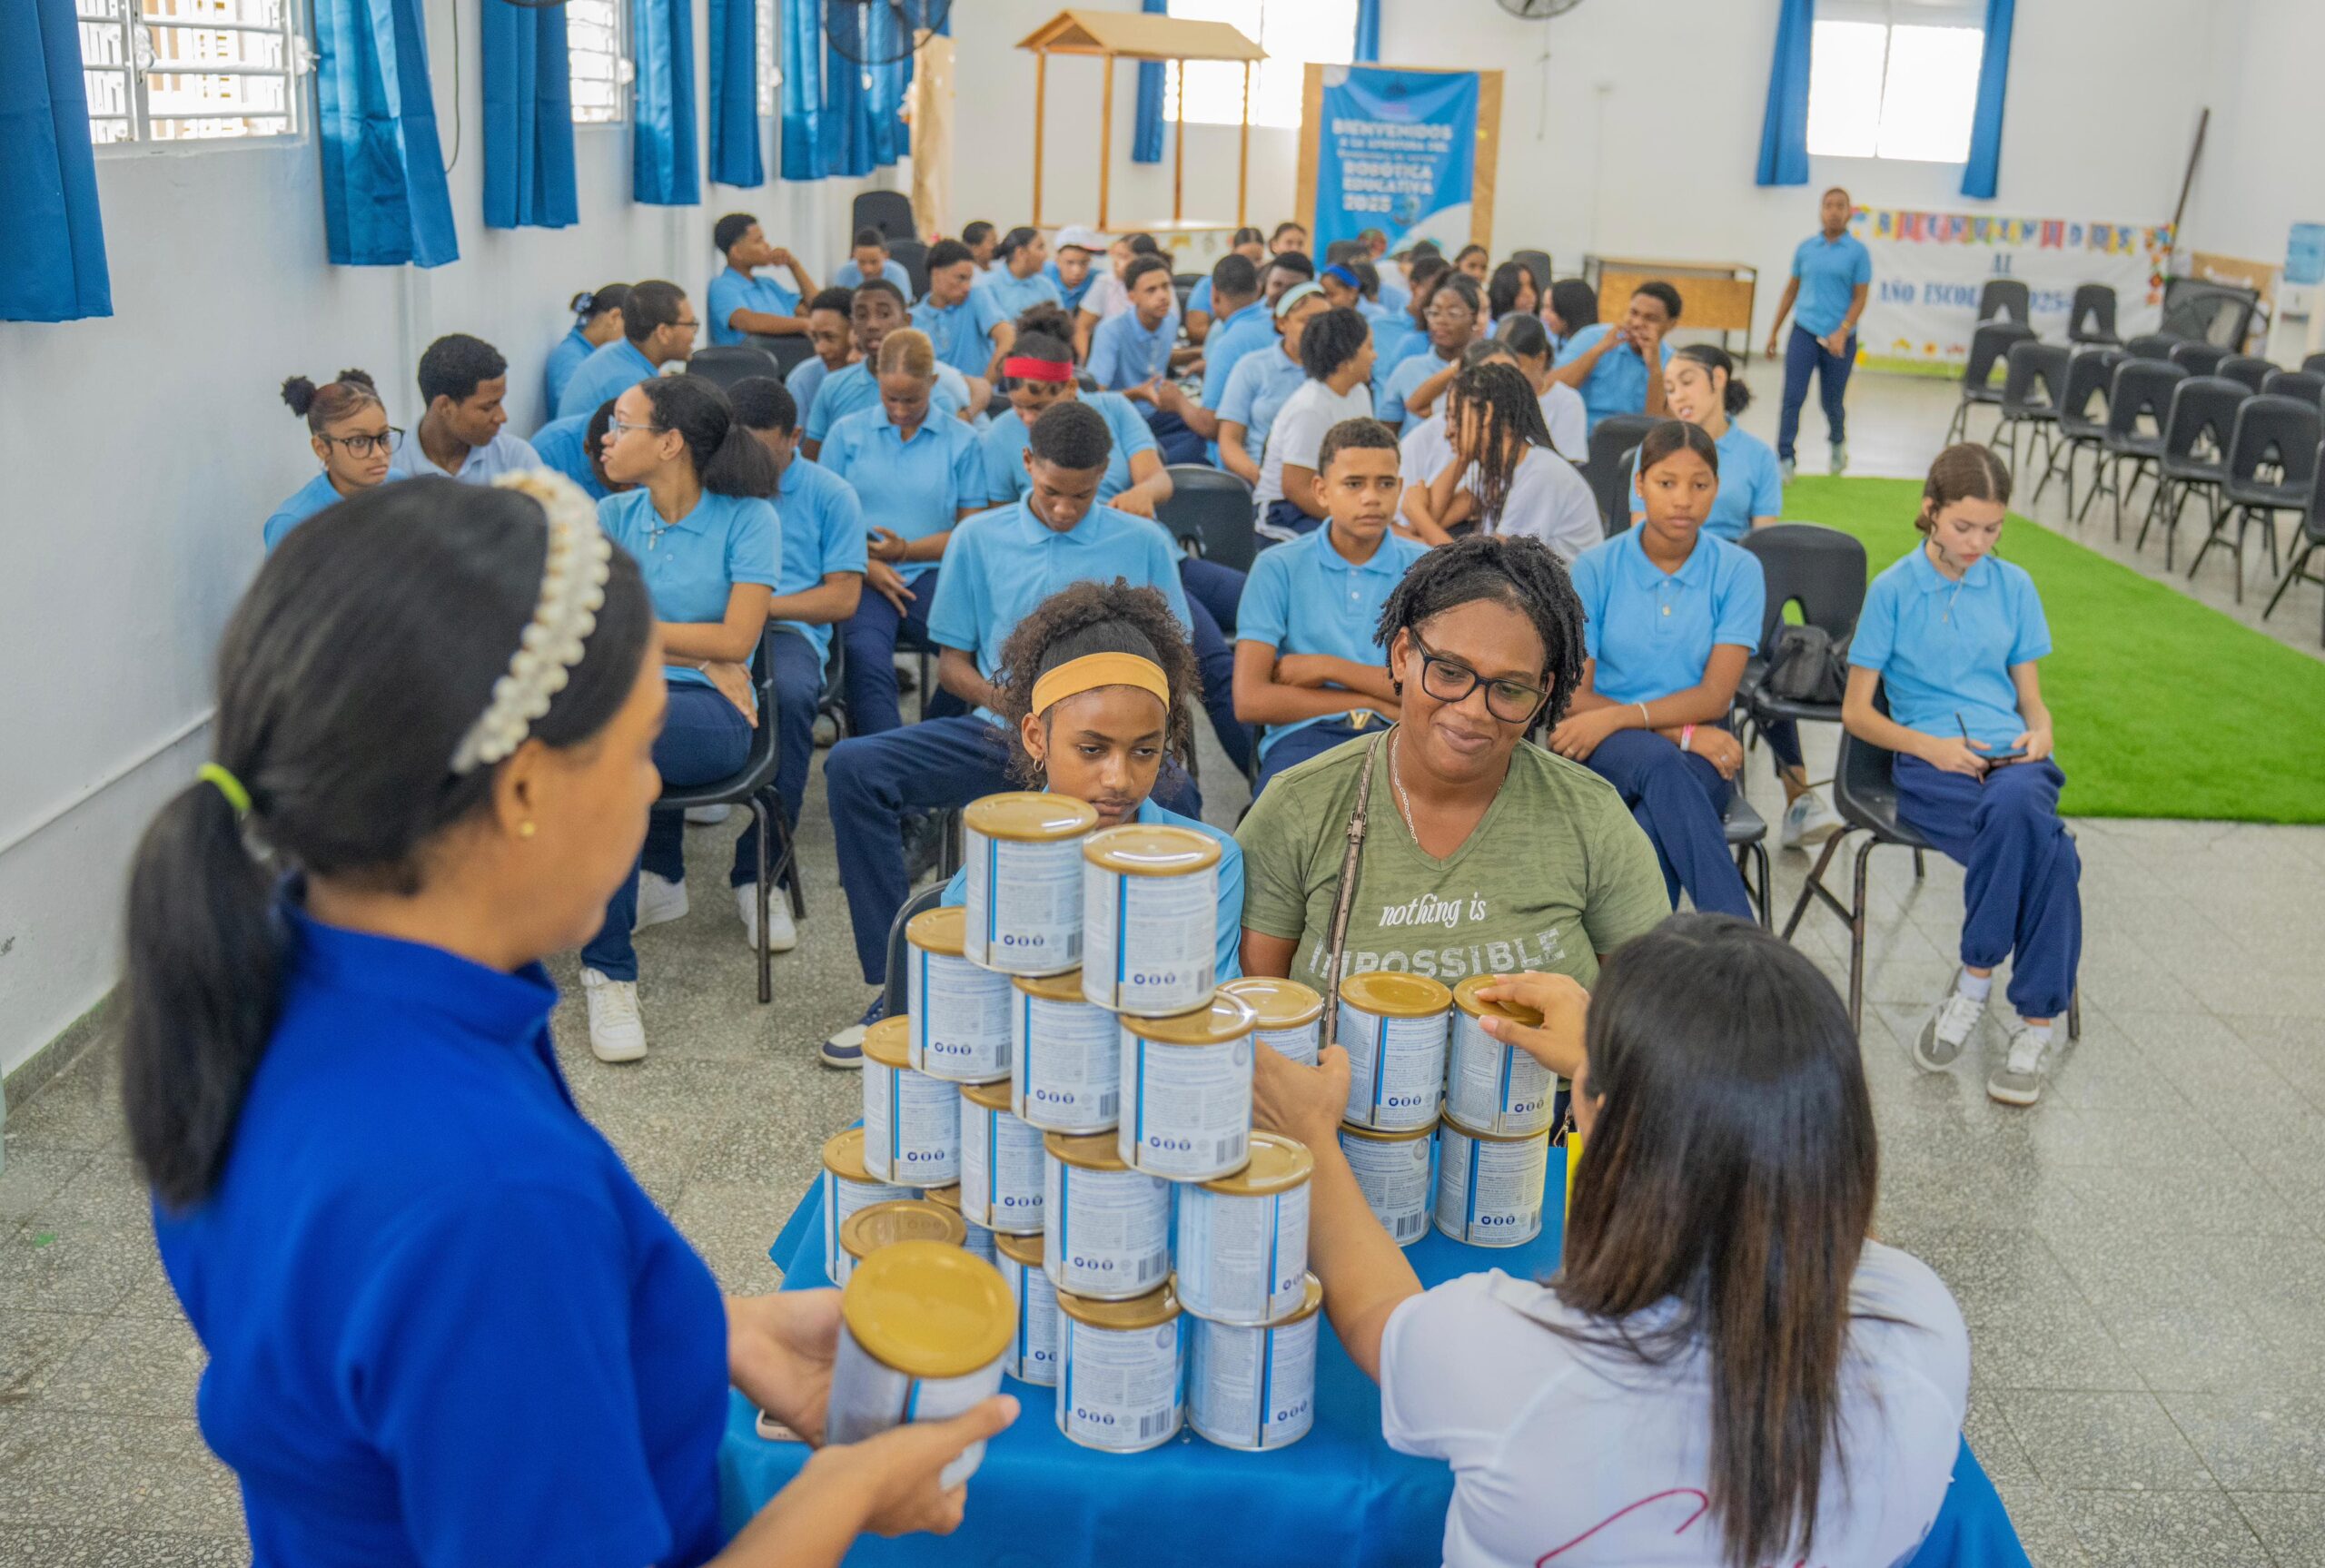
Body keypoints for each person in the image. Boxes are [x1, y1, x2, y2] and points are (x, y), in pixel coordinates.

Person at [131, 474, 1013, 1567]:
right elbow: (473, 1270)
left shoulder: (279, 966)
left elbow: (415, 1361)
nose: (652, 784)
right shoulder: (484, 1191)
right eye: (643, 742)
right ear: (524, 790)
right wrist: (845, 1488)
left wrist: (703, 1327)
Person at [1249, 913, 1968, 1568]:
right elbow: (1814, 1207)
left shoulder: (1522, 1359)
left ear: (1604, 1121)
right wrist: (1639, 1058)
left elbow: (1381, 1313)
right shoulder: (1925, 1324)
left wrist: (1311, 1134)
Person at [821, 401, 1201, 1061]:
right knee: (854, 766)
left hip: (1105, 743)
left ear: (1106, 476)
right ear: (1027, 464)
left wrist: (1096, 731)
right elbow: (954, 667)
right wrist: (1036, 722)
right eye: (1051, 492)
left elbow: (1175, 663)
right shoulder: (978, 538)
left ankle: (1136, 980)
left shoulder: (1141, 541)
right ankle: (902, 985)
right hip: (1001, 730)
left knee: (1180, 798)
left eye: (1080, 496)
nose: (1062, 509)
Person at [1235, 532, 1669, 992]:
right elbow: (1255, 1021)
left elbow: (1652, 1020)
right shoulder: (1298, 809)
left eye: (1510, 689)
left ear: (1543, 693)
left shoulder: (1593, 818)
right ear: (1403, 656)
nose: (1473, 711)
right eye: (1449, 672)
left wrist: (1579, 1049)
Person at [1844, 444, 2079, 1107]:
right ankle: (2035, 1025)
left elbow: (2030, 697)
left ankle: (1975, 979)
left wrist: (2043, 730)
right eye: (1964, 526)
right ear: (1930, 510)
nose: (1979, 542)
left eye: (1993, 528)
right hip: (1933, 766)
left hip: (2015, 764)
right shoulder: (1891, 590)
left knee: (2021, 811)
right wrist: (1932, 747)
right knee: (2052, 856)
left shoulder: (2016, 587)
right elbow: (1857, 713)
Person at [584, 378, 779, 1060]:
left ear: (668, 443)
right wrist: (693, 644)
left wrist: (645, 634)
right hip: (628, 704)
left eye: (622, 422)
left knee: (599, 748)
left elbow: (737, 642)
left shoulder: (750, 518)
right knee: (606, 755)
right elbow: (592, 624)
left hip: (713, 714)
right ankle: (609, 964)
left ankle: (608, 965)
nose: (607, 435)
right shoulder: (611, 515)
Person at [938, 579, 1244, 986]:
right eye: (1091, 750)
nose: (1119, 780)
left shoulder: (1213, 863)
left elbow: (1215, 1011)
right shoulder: (982, 886)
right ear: (1036, 738)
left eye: (1145, 751)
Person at [980, 318, 1249, 776]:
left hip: (1155, 557)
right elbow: (1003, 526)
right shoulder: (1000, 436)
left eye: (1040, 403)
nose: (1028, 417)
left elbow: (1157, 478)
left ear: (1068, 388)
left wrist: (1144, 494)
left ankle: (1262, 783)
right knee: (1210, 659)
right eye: (1019, 406)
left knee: (1244, 631)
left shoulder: (1114, 410)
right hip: (1085, 577)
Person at [1556, 421, 1761, 920]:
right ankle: (1742, 948)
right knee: (1661, 764)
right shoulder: (1595, 568)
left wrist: (1662, 729)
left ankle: (1632, 975)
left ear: (1717, 487)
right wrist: (1682, 733)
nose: (1683, 500)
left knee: (1652, 826)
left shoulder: (1739, 570)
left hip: (1691, 750)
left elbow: (1716, 696)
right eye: (1667, 483)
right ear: (1639, 485)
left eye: (1700, 484)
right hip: (1605, 746)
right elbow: (1575, 698)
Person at [722, 377, 867, 954]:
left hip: (785, 631)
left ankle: (761, 874)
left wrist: (755, 603)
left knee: (787, 696)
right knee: (655, 697)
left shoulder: (831, 493)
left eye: (765, 448)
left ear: (796, 438)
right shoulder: (719, 486)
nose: (751, 462)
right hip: (710, 630)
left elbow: (842, 599)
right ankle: (661, 872)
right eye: (741, 447)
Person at [1237, 419, 1427, 793]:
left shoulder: (1426, 569)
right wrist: (1367, 700)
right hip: (1304, 736)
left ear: (1400, 489)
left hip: (1403, 735)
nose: (1371, 497)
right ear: (1321, 491)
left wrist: (1326, 667)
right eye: (1354, 484)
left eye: (1385, 484)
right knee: (1285, 831)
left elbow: (1430, 688)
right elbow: (1251, 700)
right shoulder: (1278, 566)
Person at [822, 329, 985, 736]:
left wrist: (905, 551)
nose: (898, 409)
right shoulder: (846, 433)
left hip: (934, 574)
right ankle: (884, 774)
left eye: (911, 399)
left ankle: (926, 745)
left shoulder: (963, 441)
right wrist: (865, 565)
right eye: (889, 397)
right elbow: (820, 522)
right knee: (864, 656)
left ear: (933, 383)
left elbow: (970, 531)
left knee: (979, 651)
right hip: (860, 576)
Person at [1424, 362, 1600, 558]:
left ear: (1487, 414)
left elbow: (1493, 566)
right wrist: (1463, 457)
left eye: (1455, 417)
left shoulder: (1540, 473)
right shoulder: (1493, 470)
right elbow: (1436, 520)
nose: (1448, 431)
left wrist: (1414, 511)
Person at [1766, 185, 1873, 481]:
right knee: (1792, 397)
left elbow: (1860, 297)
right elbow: (1791, 290)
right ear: (1821, 210)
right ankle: (1785, 458)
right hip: (1804, 331)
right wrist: (1774, 332)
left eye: (1840, 206)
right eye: (1829, 205)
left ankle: (1837, 443)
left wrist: (1843, 330)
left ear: (1849, 212)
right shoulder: (1806, 249)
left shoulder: (1857, 253)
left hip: (1840, 338)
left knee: (1832, 402)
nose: (1834, 211)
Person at [800, 280, 975, 458]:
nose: (872, 325)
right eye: (861, 316)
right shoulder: (833, 386)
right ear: (853, 326)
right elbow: (813, 460)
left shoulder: (936, 395)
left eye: (884, 314)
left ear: (906, 321)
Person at [1626, 346, 1782, 541]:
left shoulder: (1760, 456)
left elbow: (1763, 543)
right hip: (1665, 563)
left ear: (1718, 378)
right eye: (1670, 389)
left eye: (1687, 382)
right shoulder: (1653, 449)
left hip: (1731, 565)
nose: (1678, 397)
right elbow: (1641, 534)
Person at [1395, 340, 1519, 543]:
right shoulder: (1432, 435)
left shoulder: (1523, 460)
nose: (1505, 390)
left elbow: (1426, 530)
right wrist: (1463, 457)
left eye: (1511, 376)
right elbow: (1426, 527)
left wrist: (1416, 510)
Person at [1091, 252, 1204, 463]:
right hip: (1120, 421)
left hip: (1155, 414)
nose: (1162, 296)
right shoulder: (1111, 331)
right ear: (1132, 297)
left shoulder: (1169, 320)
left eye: (1165, 287)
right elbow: (1095, 399)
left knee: (1206, 433)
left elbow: (1160, 355)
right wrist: (1138, 393)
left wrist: (1200, 353)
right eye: (1151, 290)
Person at [1147, 253, 1264, 458]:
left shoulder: (1227, 344)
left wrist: (1178, 400)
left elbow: (1209, 427)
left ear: (1214, 296)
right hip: (1265, 444)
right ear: (1259, 288)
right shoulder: (1275, 324)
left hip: (1231, 455)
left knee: (1151, 456)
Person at [266, 370, 397, 550]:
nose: (379, 453)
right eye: (359, 442)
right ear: (322, 448)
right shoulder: (294, 523)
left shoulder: (399, 486)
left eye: (384, 437)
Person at [1216, 282, 1330, 490]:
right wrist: (1260, 478)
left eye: (1324, 321)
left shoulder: (1334, 371)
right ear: (1282, 323)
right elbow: (1229, 441)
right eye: (1307, 321)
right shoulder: (1252, 367)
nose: (1317, 329)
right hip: (1261, 480)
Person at [387, 334, 540, 484]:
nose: (502, 417)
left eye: (500, 402)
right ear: (445, 406)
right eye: (487, 407)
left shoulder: (516, 460)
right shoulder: (386, 461)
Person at [557, 279, 697, 421]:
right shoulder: (630, 385)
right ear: (663, 332)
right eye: (691, 324)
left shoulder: (619, 354)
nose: (694, 333)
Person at [1552, 281, 1679, 433]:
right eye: (1634, 313)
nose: (1638, 323)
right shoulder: (1592, 337)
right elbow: (1551, 390)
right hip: (1580, 439)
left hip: (1636, 447)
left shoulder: (1675, 363)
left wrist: (1654, 370)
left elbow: (1660, 430)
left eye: (1650, 318)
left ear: (1671, 324)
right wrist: (1598, 351)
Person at [1377, 272, 1480, 432]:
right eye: (1434, 313)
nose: (1441, 321)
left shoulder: (1484, 369)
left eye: (1453, 314)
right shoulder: (1409, 369)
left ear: (1474, 319)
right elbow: (1387, 431)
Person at [911, 238, 1012, 382]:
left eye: (969, 279)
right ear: (936, 274)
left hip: (981, 399)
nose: (967, 287)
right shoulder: (913, 319)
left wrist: (985, 386)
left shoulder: (976, 297)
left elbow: (1008, 338)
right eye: (961, 278)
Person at [707, 213, 816, 346]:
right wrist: (803, 324)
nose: (767, 246)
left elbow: (817, 308)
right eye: (758, 241)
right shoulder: (723, 286)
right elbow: (747, 322)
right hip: (750, 363)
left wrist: (794, 265)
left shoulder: (768, 284)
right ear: (736, 252)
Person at [1491, 314, 1588, 459]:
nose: (1506, 374)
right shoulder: (1490, 396)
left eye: (1515, 365)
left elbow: (1569, 465)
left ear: (1540, 359)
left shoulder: (1567, 402)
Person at [1369, 254, 1449, 387]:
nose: (1439, 300)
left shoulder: (1447, 337)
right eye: (1433, 292)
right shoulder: (1377, 326)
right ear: (1413, 286)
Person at [545, 283, 628, 412]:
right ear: (614, 317)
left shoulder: (600, 352)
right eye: (633, 326)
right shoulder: (569, 356)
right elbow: (574, 410)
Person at [787, 286, 858, 430]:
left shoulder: (879, 378)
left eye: (830, 337)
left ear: (855, 332)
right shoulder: (802, 379)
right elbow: (797, 446)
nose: (820, 348)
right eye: (815, 338)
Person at [974, 226, 1064, 332]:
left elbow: (1061, 325)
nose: (1045, 255)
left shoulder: (1046, 285)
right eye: (1040, 247)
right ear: (1021, 252)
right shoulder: (987, 286)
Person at [1185, 226, 1267, 343]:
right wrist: (1233, 337)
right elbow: (1195, 330)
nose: (1250, 264)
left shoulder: (1265, 284)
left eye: (1257, 259)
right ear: (1232, 252)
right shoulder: (1207, 285)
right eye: (1244, 257)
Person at [532, 399, 615, 502]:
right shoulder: (546, 456)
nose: (627, 490)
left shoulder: (638, 438)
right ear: (587, 448)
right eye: (615, 483)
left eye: (632, 481)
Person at [1044, 223, 1105, 315]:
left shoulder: (1100, 281)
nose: (1077, 271)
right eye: (1070, 263)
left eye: (1084, 263)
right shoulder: (1040, 275)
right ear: (1057, 261)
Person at [831, 227, 911, 292]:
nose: (868, 269)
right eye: (861, 262)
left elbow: (902, 308)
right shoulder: (844, 273)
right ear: (853, 256)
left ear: (886, 256)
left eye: (874, 262)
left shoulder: (897, 274)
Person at [1543, 276, 1598, 358]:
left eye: (1552, 309)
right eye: (1544, 307)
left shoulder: (1592, 349)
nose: (1544, 315)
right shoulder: (1550, 340)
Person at [1486, 260, 1538, 326]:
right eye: (1520, 287)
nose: (1530, 294)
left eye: (1531, 285)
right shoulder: (1488, 330)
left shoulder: (1541, 329)